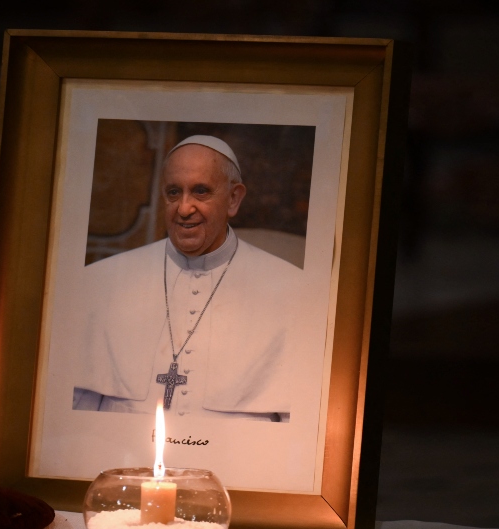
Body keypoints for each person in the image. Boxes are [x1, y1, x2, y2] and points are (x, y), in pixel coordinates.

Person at [71, 135, 318, 422]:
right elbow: (76, 413)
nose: (184, 208)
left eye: (201, 191)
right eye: (174, 192)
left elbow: (297, 427)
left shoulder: (292, 291)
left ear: (233, 199)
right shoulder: (102, 282)